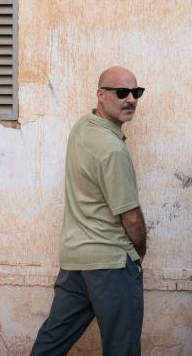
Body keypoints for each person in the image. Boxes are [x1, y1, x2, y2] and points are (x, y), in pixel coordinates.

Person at [31, 66, 148, 356]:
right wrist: (139, 253)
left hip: (75, 261)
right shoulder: (112, 149)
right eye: (122, 92)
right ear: (101, 95)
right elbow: (130, 217)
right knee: (122, 347)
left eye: (137, 92)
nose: (130, 99)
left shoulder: (83, 127)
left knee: (52, 340)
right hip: (110, 263)